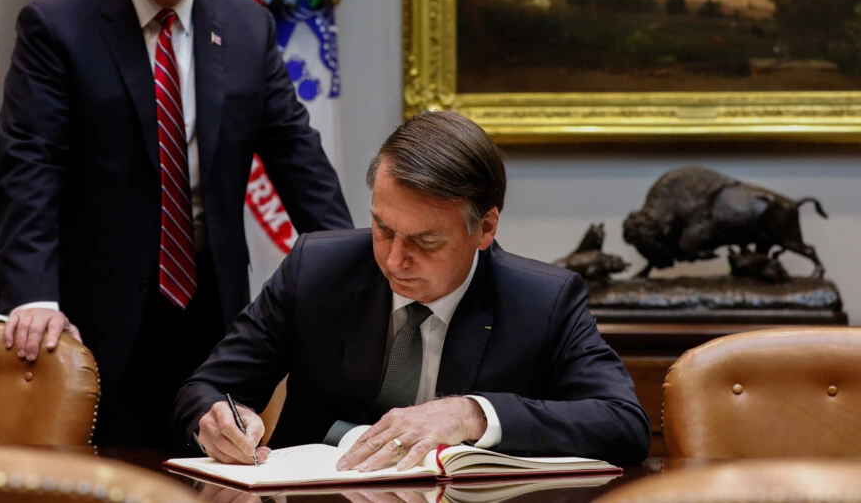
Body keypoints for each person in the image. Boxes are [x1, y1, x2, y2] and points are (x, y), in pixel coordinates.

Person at [0, 0, 352, 447]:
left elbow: (296, 155)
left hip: (212, 306)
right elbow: (30, 167)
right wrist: (32, 294)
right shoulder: (57, 26)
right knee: (97, 476)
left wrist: (351, 269)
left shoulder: (245, 24)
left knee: (211, 465)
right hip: (88, 312)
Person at [174, 110, 651, 468]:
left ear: (485, 229)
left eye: (426, 241)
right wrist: (215, 420)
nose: (394, 259)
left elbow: (624, 424)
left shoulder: (543, 300)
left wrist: (473, 415)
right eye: (383, 229)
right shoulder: (317, 269)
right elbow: (207, 388)